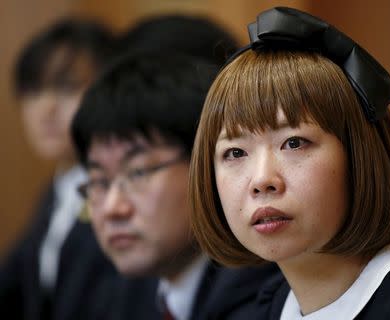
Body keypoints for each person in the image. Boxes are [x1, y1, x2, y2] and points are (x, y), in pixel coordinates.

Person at [189, 7, 390, 319]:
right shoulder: (260, 308)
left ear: (359, 156)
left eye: (294, 143)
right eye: (235, 153)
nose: (262, 180)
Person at [71, 51, 279, 320]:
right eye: (99, 182)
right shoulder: (126, 293)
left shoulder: (260, 297)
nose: (113, 208)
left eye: (138, 173)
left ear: (206, 166)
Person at [1, 18, 117, 319]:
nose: (46, 108)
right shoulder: (55, 192)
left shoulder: (121, 197)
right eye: (33, 90)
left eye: (66, 88)